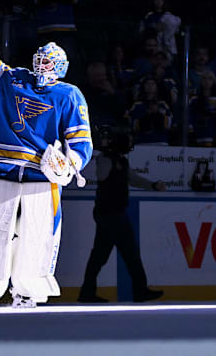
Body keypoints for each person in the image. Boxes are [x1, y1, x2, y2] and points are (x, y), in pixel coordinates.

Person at [0, 0, 92, 308]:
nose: (41, 67)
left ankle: (29, 289)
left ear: (61, 67)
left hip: (41, 176)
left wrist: (70, 164)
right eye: (39, 60)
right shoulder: (12, 79)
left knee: (39, 234)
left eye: (48, 63)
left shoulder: (70, 94)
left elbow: (81, 140)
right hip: (2, 168)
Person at [78, 125, 165, 303]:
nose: (130, 145)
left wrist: (153, 185)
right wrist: (108, 156)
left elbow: (133, 179)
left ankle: (87, 292)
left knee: (99, 255)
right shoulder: (106, 159)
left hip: (111, 213)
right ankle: (140, 291)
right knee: (130, 252)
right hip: (110, 214)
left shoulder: (120, 160)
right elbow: (102, 176)